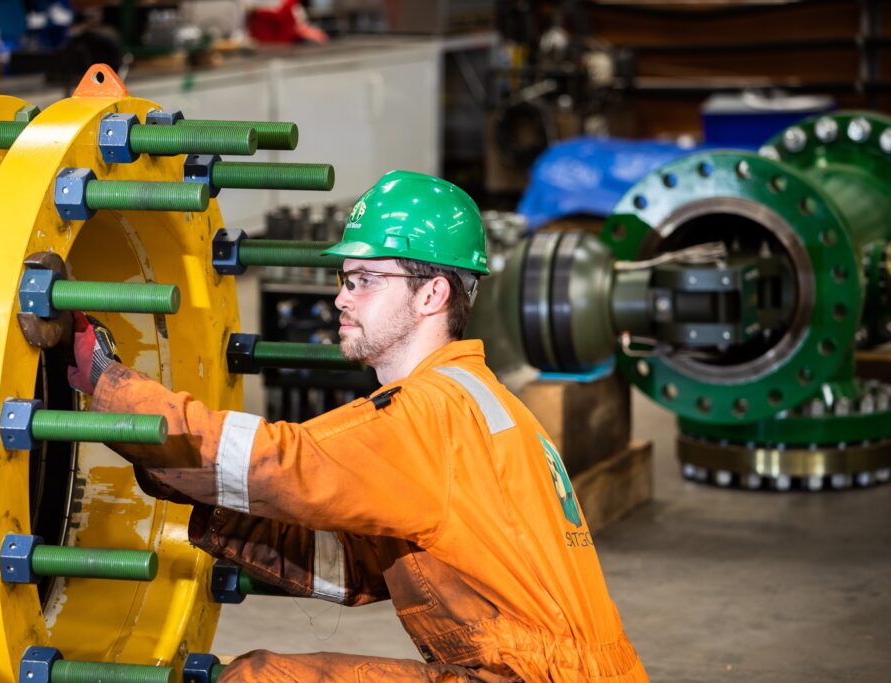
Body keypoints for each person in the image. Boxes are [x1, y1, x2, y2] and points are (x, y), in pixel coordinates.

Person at [68, 170, 648, 682]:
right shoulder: (478, 399)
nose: (341, 299)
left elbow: (282, 464)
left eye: (366, 280)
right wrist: (180, 480)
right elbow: (360, 565)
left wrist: (111, 385)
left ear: (432, 294)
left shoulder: (433, 412)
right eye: (345, 279)